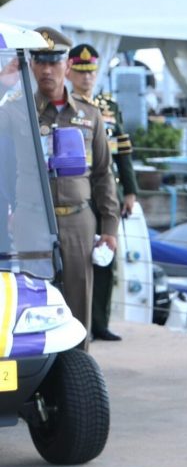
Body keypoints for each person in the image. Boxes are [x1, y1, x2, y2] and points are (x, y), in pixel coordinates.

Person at [31, 27, 119, 350]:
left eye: (54, 62)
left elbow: (102, 176)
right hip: (33, 225)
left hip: (79, 223)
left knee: (78, 306)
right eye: (40, 62)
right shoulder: (16, 113)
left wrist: (109, 226)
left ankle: (79, 379)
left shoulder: (89, 115)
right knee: (34, 304)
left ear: (66, 67)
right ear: (31, 66)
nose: (47, 70)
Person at [66, 42, 139, 342]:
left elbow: (123, 153)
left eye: (91, 72)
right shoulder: (64, 106)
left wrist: (131, 191)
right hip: (76, 193)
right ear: (70, 72)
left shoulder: (108, 108)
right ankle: (76, 323)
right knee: (76, 260)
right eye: (81, 72)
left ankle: (100, 322)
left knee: (106, 257)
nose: (87, 78)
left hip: (108, 193)